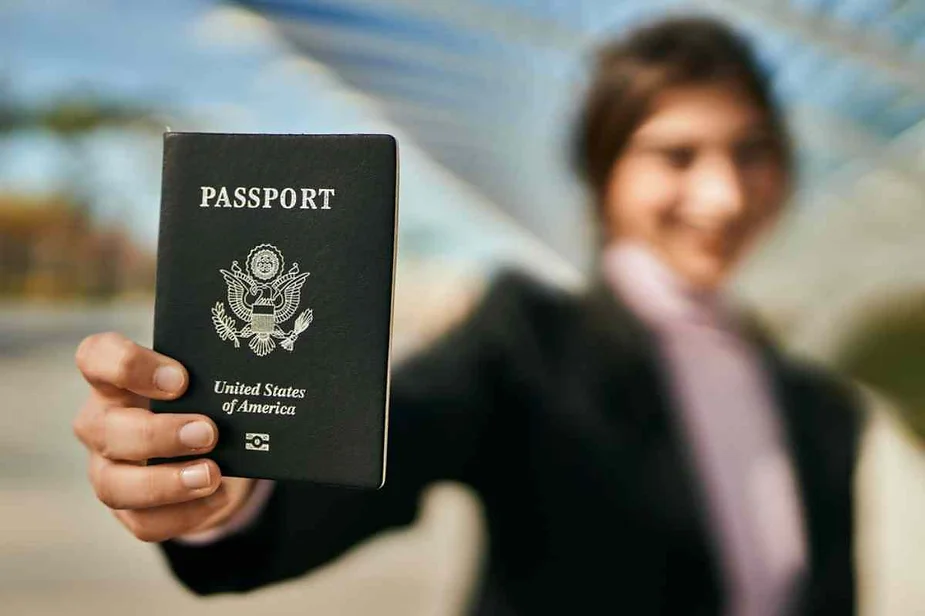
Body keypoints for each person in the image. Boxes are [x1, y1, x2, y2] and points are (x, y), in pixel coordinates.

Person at [72, 16, 863, 616]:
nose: (725, 195)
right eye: (676, 155)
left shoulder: (816, 403)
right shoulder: (527, 339)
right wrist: (233, 488)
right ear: (603, 171)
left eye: (752, 151)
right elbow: (399, 433)